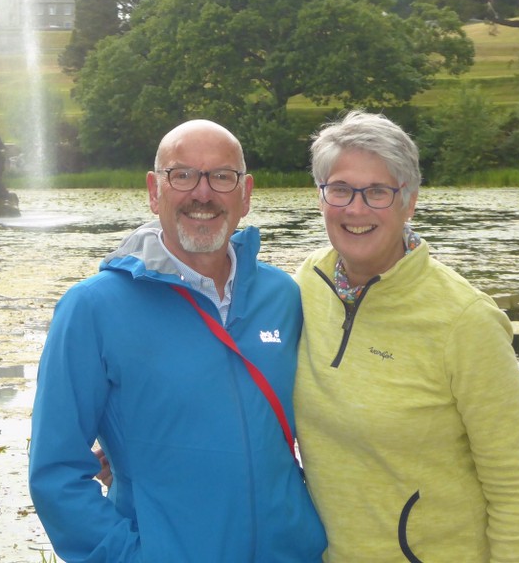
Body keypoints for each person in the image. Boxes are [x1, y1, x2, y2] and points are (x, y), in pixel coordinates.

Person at [28, 119, 327, 562]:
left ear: (245, 194)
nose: (202, 193)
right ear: (154, 190)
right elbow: (55, 472)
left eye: (222, 177)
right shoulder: (92, 308)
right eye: (182, 175)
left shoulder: (282, 297)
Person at [294, 110, 519, 562]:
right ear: (321, 197)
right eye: (341, 189)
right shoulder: (304, 284)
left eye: (377, 192)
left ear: (409, 201)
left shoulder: (466, 321)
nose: (355, 208)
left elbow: (515, 488)